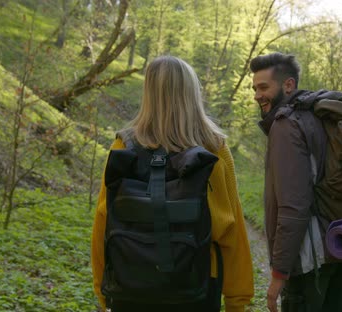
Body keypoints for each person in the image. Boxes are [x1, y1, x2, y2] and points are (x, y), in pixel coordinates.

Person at [91, 55, 254, 312]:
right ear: (192, 93)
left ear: (149, 94)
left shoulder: (124, 146)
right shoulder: (214, 150)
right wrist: (237, 301)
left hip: (130, 283)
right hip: (196, 286)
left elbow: (104, 222)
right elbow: (232, 231)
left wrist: (103, 292)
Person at [250, 52, 342, 312]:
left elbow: (294, 207)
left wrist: (279, 274)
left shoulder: (286, 125)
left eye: (264, 87)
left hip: (311, 260)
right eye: (255, 88)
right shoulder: (321, 114)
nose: (257, 95)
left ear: (288, 85)